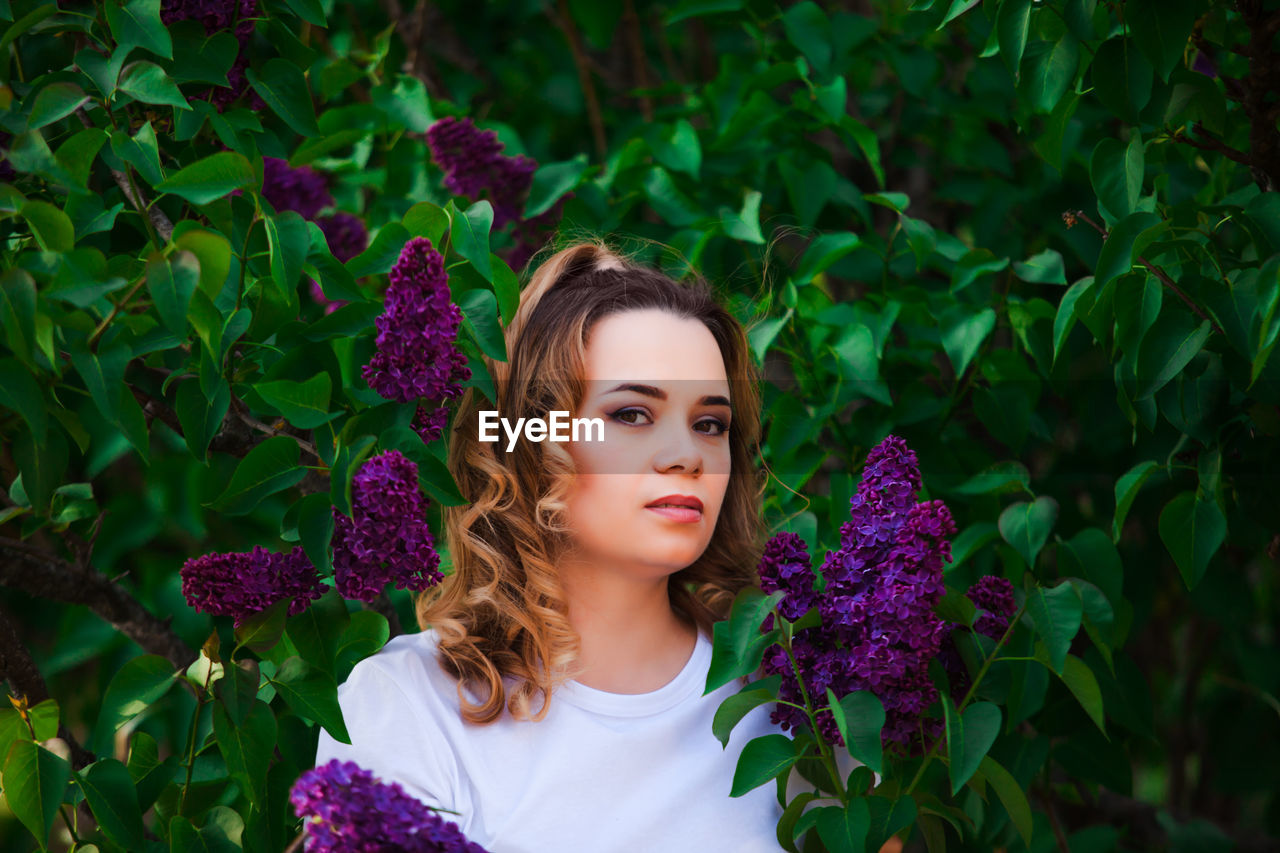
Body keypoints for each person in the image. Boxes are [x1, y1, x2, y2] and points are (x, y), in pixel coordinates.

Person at [314, 240, 802, 852]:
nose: (688, 455)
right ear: (529, 442)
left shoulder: (791, 702)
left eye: (710, 424)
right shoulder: (410, 708)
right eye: (631, 414)